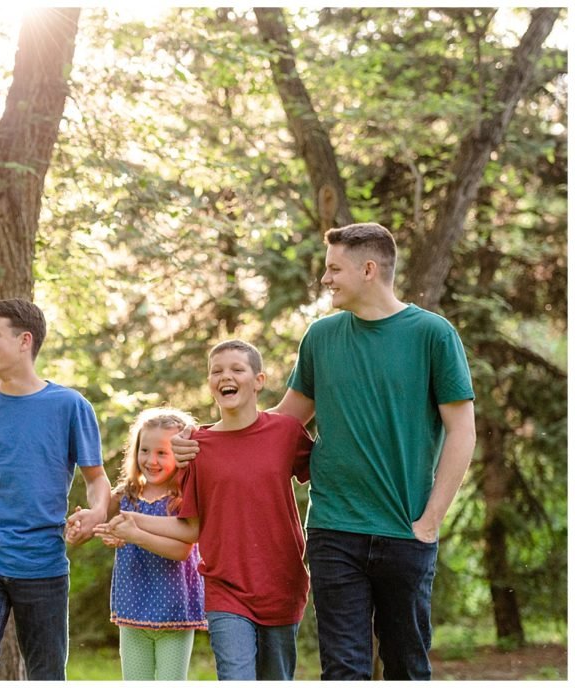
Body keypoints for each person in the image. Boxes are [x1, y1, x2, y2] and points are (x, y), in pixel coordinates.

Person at [175, 222, 477, 680]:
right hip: (334, 529)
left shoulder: (432, 335)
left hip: (406, 528)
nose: (325, 279)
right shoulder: (322, 337)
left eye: (334, 269)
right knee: (342, 668)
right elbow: (278, 422)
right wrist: (204, 440)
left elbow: (462, 431)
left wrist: (430, 520)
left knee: (406, 665)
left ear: (369, 269)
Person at [98, 340, 312, 680]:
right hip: (224, 588)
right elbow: (189, 527)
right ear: (210, 383)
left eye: (237, 369)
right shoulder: (198, 447)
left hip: (281, 584)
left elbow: (330, 476)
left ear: (259, 380)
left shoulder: (285, 431)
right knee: (235, 676)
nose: (226, 376)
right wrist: (128, 521)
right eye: (217, 371)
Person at [0, 298, 111, 681]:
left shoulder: (70, 406)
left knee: (45, 673)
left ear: (25, 341)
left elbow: (96, 479)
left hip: (43, 561)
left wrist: (96, 513)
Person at [93, 407, 207, 681]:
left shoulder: (183, 499)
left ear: (180, 455)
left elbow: (182, 550)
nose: (151, 460)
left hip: (174, 613)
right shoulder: (125, 495)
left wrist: (134, 534)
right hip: (132, 608)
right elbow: (101, 518)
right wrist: (101, 528)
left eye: (162, 453)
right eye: (144, 450)